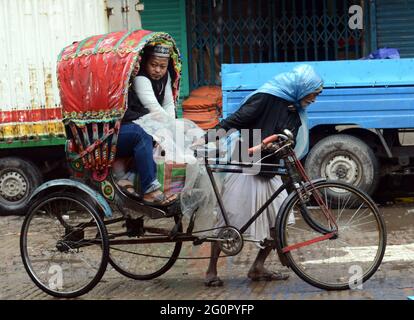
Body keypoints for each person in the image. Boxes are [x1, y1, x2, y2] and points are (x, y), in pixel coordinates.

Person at [203, 64, 323, 286]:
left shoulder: (295, 111)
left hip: (270, 167)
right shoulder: (266, 97)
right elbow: (237, 120)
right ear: (302, 87)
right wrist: (207, 139)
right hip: (245, 160)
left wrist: (279, 144)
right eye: (313, 93)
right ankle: (211, 270)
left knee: (277, 221)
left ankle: (257, 267)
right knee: (229, 218)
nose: (314, 99)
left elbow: (289, 138)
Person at [116, 44, 177, 205]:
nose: (158, 70)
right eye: (153, 65)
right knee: (142, 133)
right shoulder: (138, 78)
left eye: (162, 66)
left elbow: (168, 105)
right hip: (114, 132)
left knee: (151, 133)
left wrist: (172, 127)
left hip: (133, 126)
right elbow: (153, 109)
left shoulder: (164, 77)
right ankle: (150, 189)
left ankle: (128, 179)